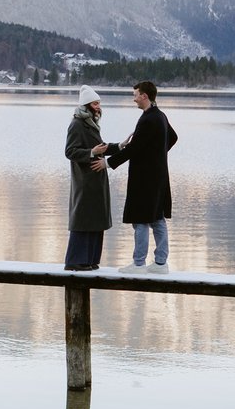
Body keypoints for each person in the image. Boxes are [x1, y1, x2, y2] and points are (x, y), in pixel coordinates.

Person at [108, 79, 178, 271]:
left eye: (136, 95)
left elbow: (133, 149)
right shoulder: (160, 116)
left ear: (144, 96)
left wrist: (108, 163)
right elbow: (173, 137)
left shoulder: (148, 119)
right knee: (157, 218)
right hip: (159, 176)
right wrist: (157, 154)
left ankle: (139, 263)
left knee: (140, 219)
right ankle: (161, 263)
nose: (134, 99)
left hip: (145, 178)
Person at [62, 85, 112, 271]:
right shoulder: (77, 124)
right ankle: (75, 261)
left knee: (95, 219)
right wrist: (91, 152)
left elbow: (99, 148)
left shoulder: (91, 123)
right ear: (86, 105)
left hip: (95, 179)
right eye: (95, 103)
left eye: (99, 103)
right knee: (83, 219)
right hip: (84, 180)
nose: (99, 107)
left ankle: (90, 259)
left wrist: (120, 147)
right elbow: (70, 151)